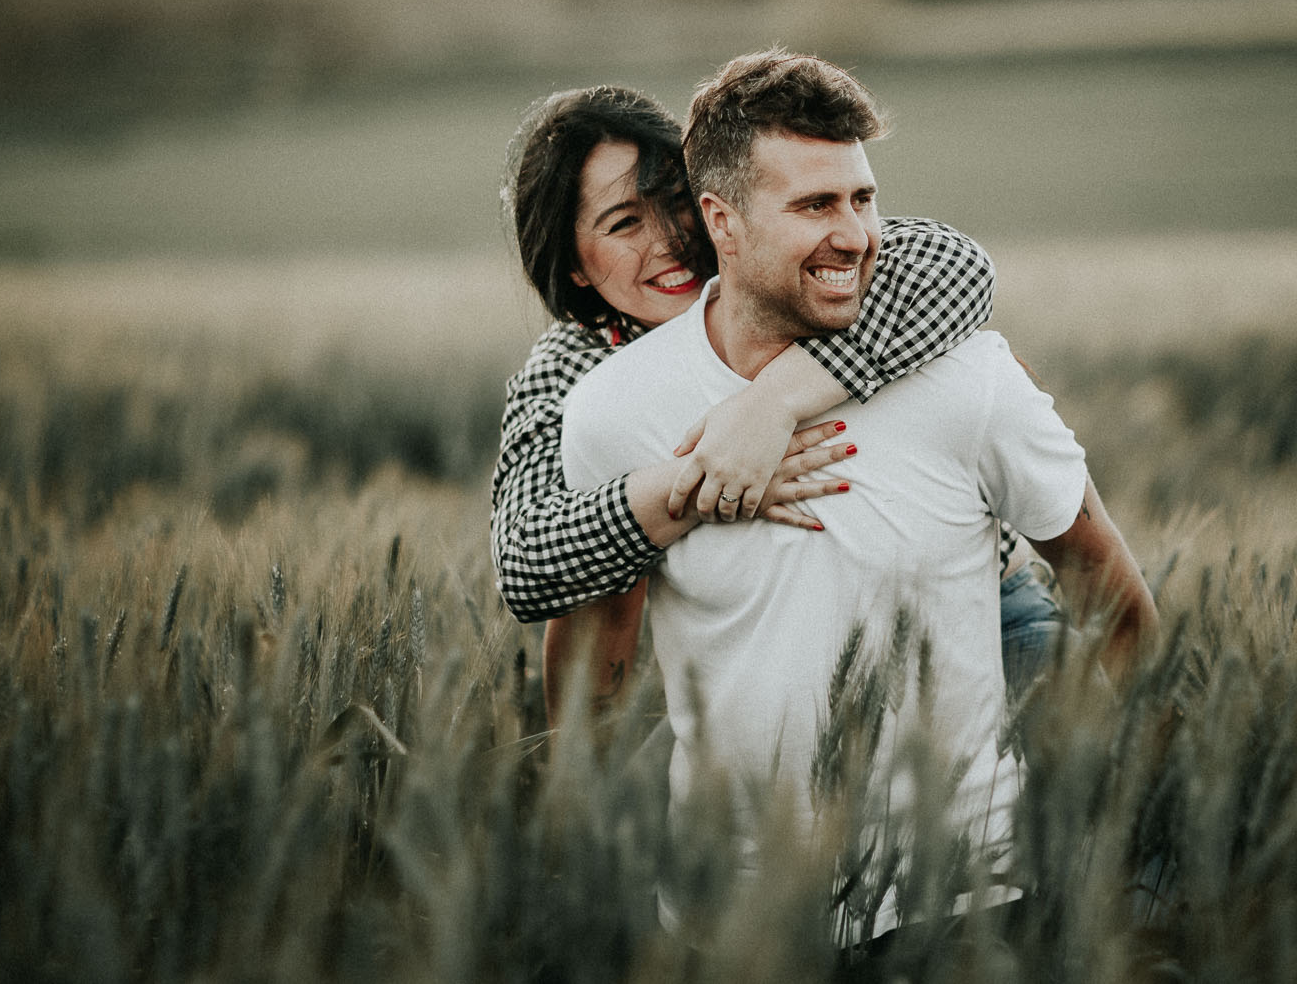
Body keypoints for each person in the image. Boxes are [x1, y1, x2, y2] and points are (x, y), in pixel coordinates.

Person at [559, 50, 1159, 948]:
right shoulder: (612, 410)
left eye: (862, 198)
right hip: (733, 916)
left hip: (963, 904)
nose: (856, 235)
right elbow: (595, 657)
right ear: (720, 220)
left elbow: (1107, 590)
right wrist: (584, 847)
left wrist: (1150, 807)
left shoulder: (968, 376)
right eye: (813, 206)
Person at [488, 84, 1061, 723]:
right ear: (573, 264)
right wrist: (706, 477)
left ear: (718, 207)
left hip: (980, 609)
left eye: (677, 204)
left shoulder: (787, 277)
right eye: (624, 223)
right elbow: (526, 561)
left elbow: (956, 263)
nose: (669, 239)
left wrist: (771, 405)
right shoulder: (574, 369)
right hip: (764, 652)